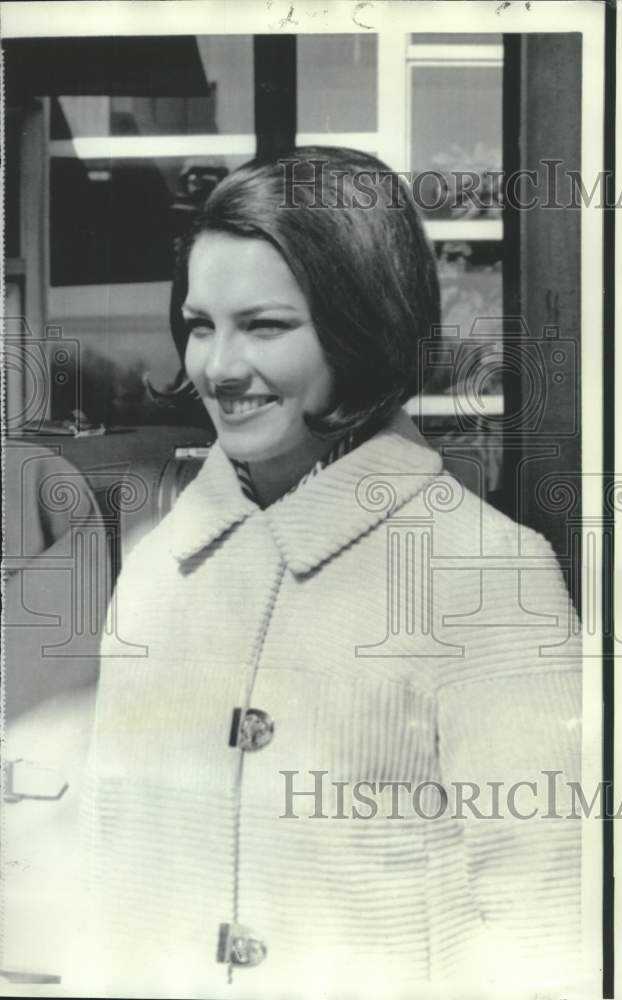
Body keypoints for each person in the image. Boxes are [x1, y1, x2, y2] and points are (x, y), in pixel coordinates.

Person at [76, 148, 581, 998]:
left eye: (265, 326)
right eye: (201, 324)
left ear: (362, 327)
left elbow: (539, 925)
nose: (219, 367)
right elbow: (108, 871)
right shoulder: (159, 565)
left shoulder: (492, 576)